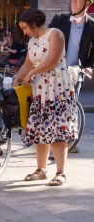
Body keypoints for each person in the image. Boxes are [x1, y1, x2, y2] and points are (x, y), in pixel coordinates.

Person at [14, 9, 77, 187]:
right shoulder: (33, 41)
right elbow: (27, 63)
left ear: (34, 23)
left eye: (25, 27)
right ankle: (40, 170)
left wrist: (31, 73)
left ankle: (60, 172)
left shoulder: (54, 34)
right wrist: (17, 79)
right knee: (41, 129)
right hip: (40, 90)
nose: (24, 32)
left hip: (57, 88)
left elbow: (53, 60)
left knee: (58, 130)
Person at [49, 0, 94, 153]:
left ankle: (69, 141)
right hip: (56, 71)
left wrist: (88, 66)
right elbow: (46, 40)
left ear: (86, 3)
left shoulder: (91, 25)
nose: (73, 2)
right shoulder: (60, 19)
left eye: (78, 0)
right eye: (72, 0)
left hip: (75, 73)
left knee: (71, 108)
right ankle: (54, 140)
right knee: (54, 107)